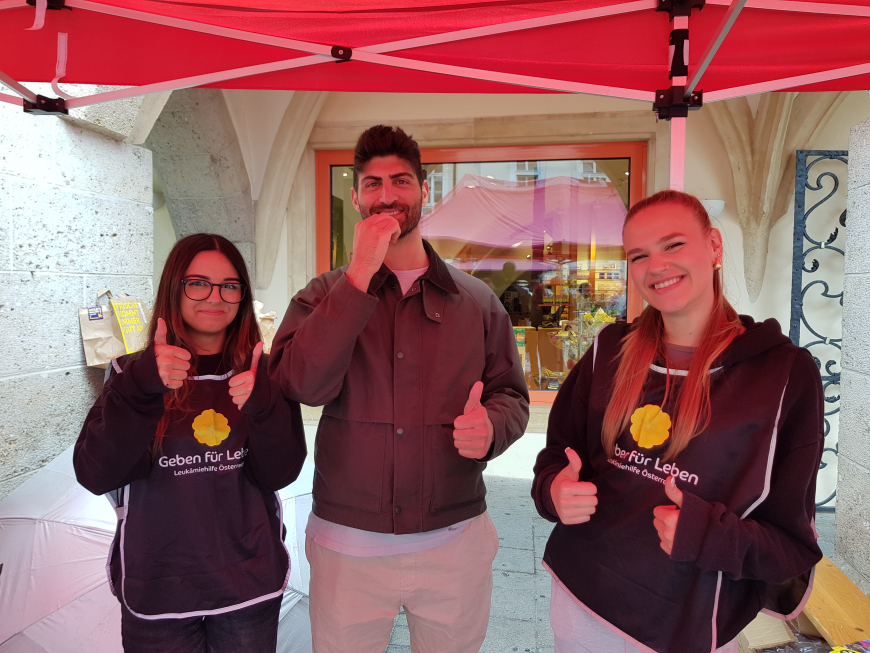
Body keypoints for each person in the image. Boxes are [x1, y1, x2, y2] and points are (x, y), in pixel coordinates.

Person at [268, 125, 530, 653]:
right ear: (357, 195)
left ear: (424, 191)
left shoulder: (477, 301)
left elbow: (512, 395)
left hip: (454, 541)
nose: (387, 195)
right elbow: (299, 384)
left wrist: (493, 428)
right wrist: (360, 273)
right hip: (348, 548)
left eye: (401, 181)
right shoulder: (322, 294)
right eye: (373, 183)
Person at [531, 190, 823, 653]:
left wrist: (708, 535)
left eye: (673, 245)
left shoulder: (783, 373)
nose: (656, 266)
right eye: (638, 255)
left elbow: (792, 545)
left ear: (714, 246)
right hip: (582, 598)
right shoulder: (609, 350)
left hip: (689, 618)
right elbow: (555, 457)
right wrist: (553, 491)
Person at [74, 234, 306, 653]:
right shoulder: (131, 373)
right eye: (197, 282)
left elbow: (280, 473)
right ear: (173, 288)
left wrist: (264, 407)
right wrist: (142, 387)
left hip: (247, 580)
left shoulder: (263, 373)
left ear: (242, 296)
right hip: (159, 582)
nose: (214, 296)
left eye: (229, 285)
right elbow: (96, 473)